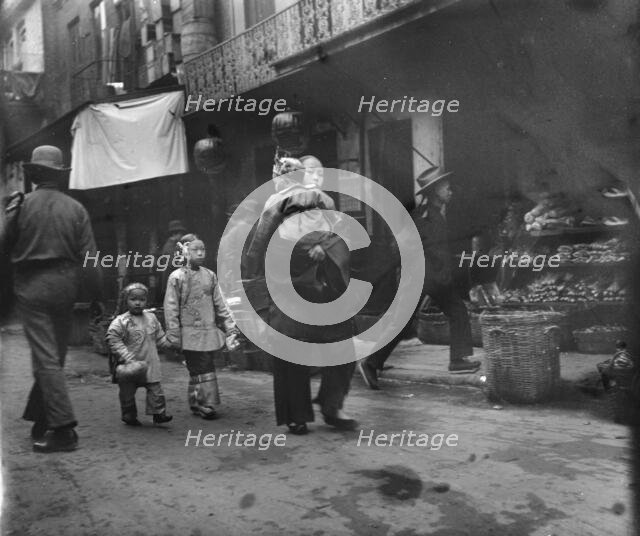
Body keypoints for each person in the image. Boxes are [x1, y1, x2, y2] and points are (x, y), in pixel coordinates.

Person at [246, 155, 357, 435]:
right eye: (308, 172)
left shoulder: (325, 201)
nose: (316, 177)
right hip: (288, 281)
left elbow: (342, 231)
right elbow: (260, 244)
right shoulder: (276, 204)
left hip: (323, 281)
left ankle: (332, 405)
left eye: (321, 172)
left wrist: (327, 246)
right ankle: (296, 413)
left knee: (343, 341)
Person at [8, 145, 101, 452]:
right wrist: (94, 294)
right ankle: (41, 415)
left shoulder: (20, 204)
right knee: (54, 354)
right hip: (66, 284)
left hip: (31, 285)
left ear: (34, 175)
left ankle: (63, 430)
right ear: (59, 176)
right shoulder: (76, 209)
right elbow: (90, 258)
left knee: (46, 356)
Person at [359, 167, 480, 390]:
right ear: (434, 191)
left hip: (436, 278)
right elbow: (402, 248)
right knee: (404, 323)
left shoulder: (438, 214)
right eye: (445, 187)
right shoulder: (422, 217)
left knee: (457, 311)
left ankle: (458, 360)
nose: (450, 191)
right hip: (420, 278)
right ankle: (371, 363)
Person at [163, 233, 240, 419]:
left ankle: (198, 402)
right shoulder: (176, 277)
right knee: (199, 366)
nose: (200, 253)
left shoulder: (210, 276)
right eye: (195, 249)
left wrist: (231, 327)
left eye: (202, 249)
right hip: (188, 332)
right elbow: (170, 307)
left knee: (204, 365)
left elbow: (221, 304)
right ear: (185, 252)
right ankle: (204, 403)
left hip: (208, 331)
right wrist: (174, 335)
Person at [106, 283, 173, 426]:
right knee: (127, 393)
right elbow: (113, 339)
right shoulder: (121, 321)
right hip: (130, 365)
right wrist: (126, 357)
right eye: (133, 299)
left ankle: (159, 414)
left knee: (155, 389)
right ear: (126, 300)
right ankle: (129, 415)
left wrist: (169, 343)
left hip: (150, 362)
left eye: (142, 299)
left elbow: (159, 337)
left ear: (146, 301)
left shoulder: (152, 318)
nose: (138, 302)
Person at [157, 219, 187, 303]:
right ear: (174, 234)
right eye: (181, 233)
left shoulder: (175, 245)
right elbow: (172, 263)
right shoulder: (170, 246)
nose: (182, 236)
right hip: (172, 278)